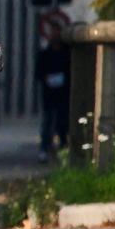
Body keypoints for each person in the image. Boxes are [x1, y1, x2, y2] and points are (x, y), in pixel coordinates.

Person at [35, 30, 70, 163]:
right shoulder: (45, 54)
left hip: (62, 93)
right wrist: (47, 79)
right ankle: (44, 148)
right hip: (49, 94)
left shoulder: (66, 54)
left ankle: (62, 147)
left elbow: (70, 71)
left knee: (62, 122)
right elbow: (38, 73)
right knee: (47, 122)